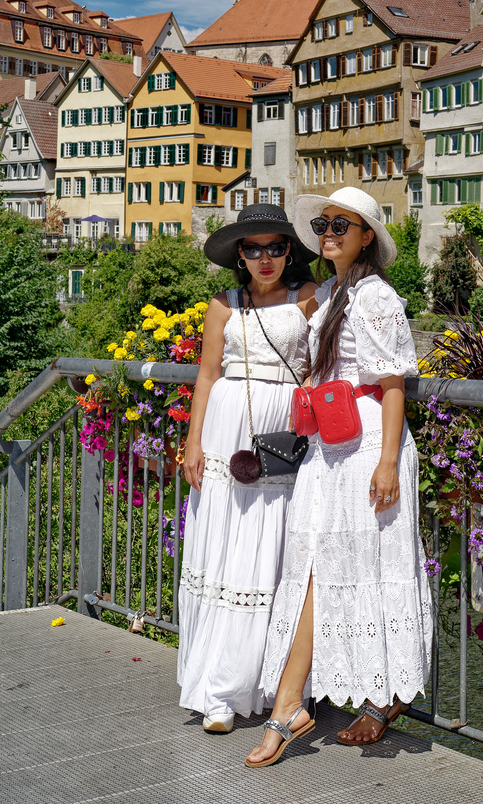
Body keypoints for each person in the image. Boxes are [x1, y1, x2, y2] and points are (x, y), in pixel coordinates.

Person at [245, 187, 432, 767]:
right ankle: (299, 702)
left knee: (370, 565)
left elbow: (393, 380)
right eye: (323, 223)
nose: (328, 232)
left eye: (342, 225)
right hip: (330, 444)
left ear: (366, 236)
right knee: (314, 570)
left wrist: (386, 463)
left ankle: (369, 699)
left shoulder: (377, 298)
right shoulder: (328, 293)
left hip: (370, 439)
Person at [177, 203, 317, 733]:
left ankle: (271, 682)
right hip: (226, 434)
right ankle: (218, 689)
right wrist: (193, 444)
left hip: (281, 438)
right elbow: (207, 377)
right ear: (240, 253)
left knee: (272, 552)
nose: (265, 258)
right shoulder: (222, 304)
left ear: (288, 252)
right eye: (254, 248)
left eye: (276, 247)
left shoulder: (308, 299)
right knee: (226, 552)